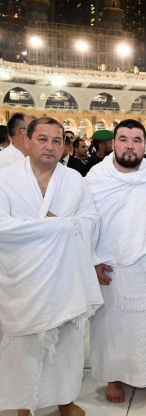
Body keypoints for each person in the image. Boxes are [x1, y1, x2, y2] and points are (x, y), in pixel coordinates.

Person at [0, 116, 103, 416]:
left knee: (67, 345)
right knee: (22, 347)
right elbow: (2, 226)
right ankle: (24, 404)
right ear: (26, 141)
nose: (50, 146)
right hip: (22, 280)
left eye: (57, 140)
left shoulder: (73, 180)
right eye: (43, 139)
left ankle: (65, 400)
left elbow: (92, 222)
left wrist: (58, 225)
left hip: (63, 278)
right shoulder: (5, 179)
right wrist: (56, 228)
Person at [85, 119, 146, 404]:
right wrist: (91, 260)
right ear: (113, 143)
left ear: (144, 145)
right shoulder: (95, 178)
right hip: (112, 267)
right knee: (112, 327)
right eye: (124, 139)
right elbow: (83, 222)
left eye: (136, 140)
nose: (130, 145)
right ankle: (114, 376)